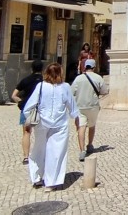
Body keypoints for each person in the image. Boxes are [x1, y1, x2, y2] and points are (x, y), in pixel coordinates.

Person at [23, 62, 80, 191]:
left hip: (42, 123)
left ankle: (37, 177)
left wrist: (28, 121)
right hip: (60, 124)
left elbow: (29, 105)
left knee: (39, 149)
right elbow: (72, 106)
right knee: (57, 152)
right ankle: (51, 182)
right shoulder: (65, 87)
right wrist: (77, 119)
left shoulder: (41, 86)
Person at [71, 58, 107, 161]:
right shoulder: (98, 78)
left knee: (81, 127)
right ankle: (90, 145)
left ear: (85, 66)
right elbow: (104, 91)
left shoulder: (79, 78)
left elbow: (72, 91)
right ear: (94, 67)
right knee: (92, 126)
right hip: (93, 106)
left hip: (80, 106)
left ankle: (82, 150)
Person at [11, 60, 44, 165]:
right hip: (41, 109)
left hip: (28, 109)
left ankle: (26, 157)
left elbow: (14, 95)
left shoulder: (25, 80)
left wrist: (21, 102)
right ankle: (41, 155)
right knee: (42, 133)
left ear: (32, 68)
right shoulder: (45, 81)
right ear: (42, 69)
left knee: (26, 133)